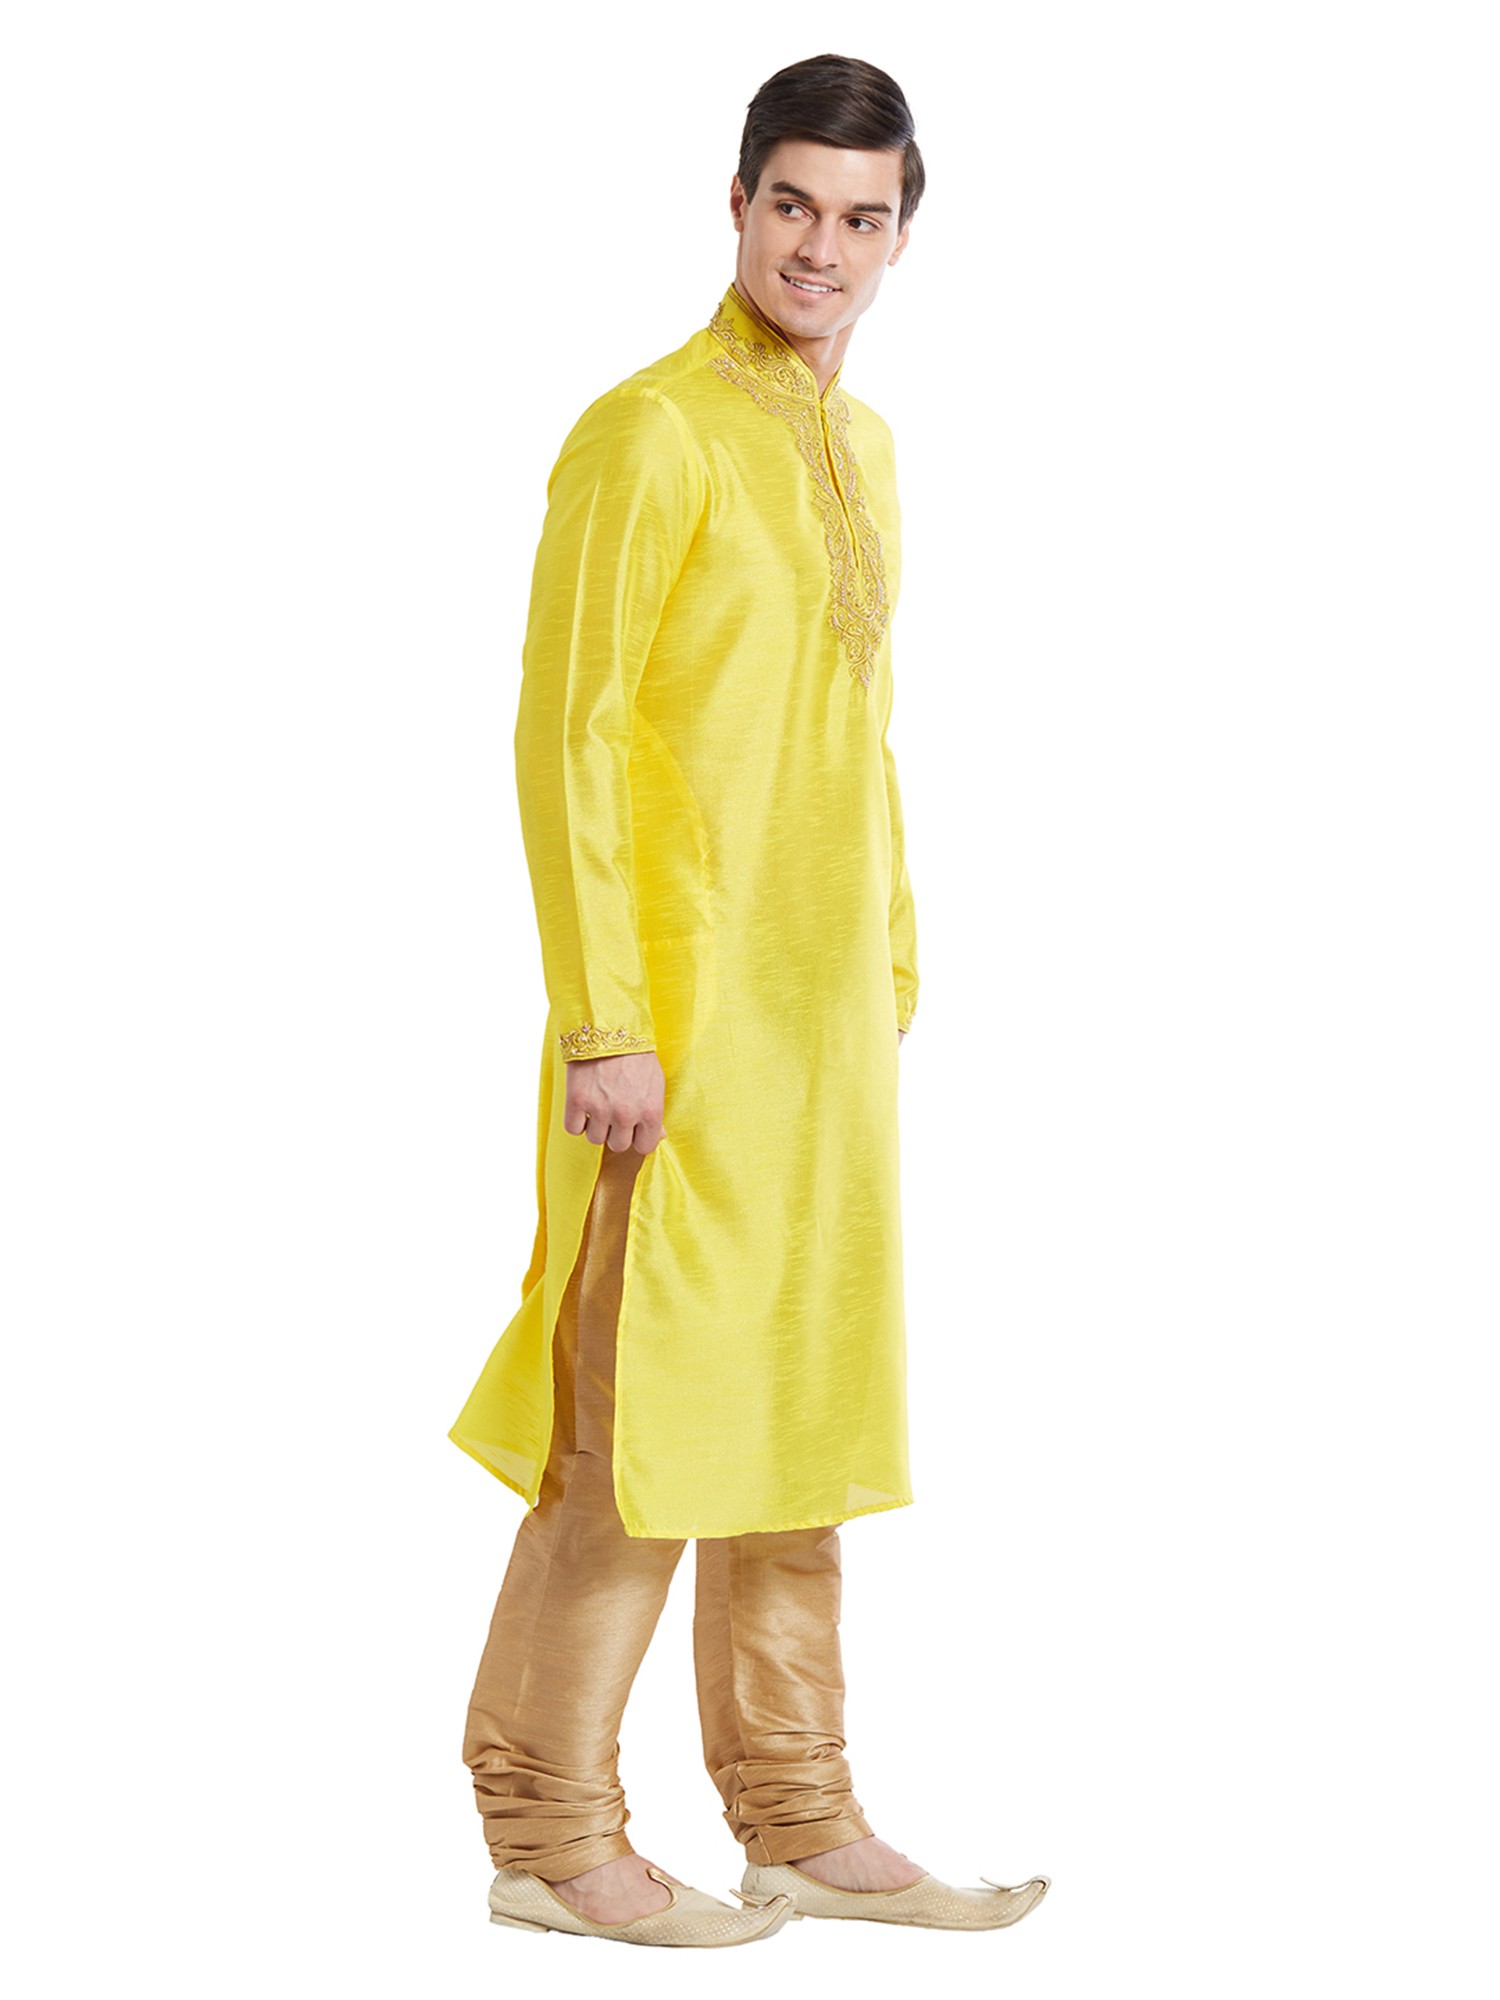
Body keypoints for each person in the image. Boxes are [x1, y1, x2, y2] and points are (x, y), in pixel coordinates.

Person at [450, 52, 1050, 1947]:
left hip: (820, 1028)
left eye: (862, 217)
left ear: (901, 239)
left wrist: (890, 954)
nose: (822, 247)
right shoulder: (649, 435)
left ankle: (798, 1814)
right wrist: (605, 1019)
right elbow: (567, 736)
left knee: (793, 1415)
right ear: (736, 205)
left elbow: (857, 730)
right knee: (633, 1434)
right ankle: (550, 1834)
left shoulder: (865, 452)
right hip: (678, 1032)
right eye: (793, 203)